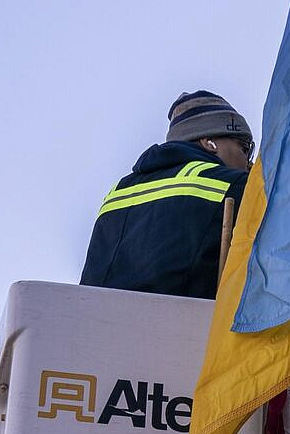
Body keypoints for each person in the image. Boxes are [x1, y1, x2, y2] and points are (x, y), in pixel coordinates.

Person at [81, 90, 256, 299]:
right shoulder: (231, 183)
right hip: (182, 326)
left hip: (94, 324)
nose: (248, 163)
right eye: (244, 148)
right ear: (209, 141)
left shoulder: (118, 191)